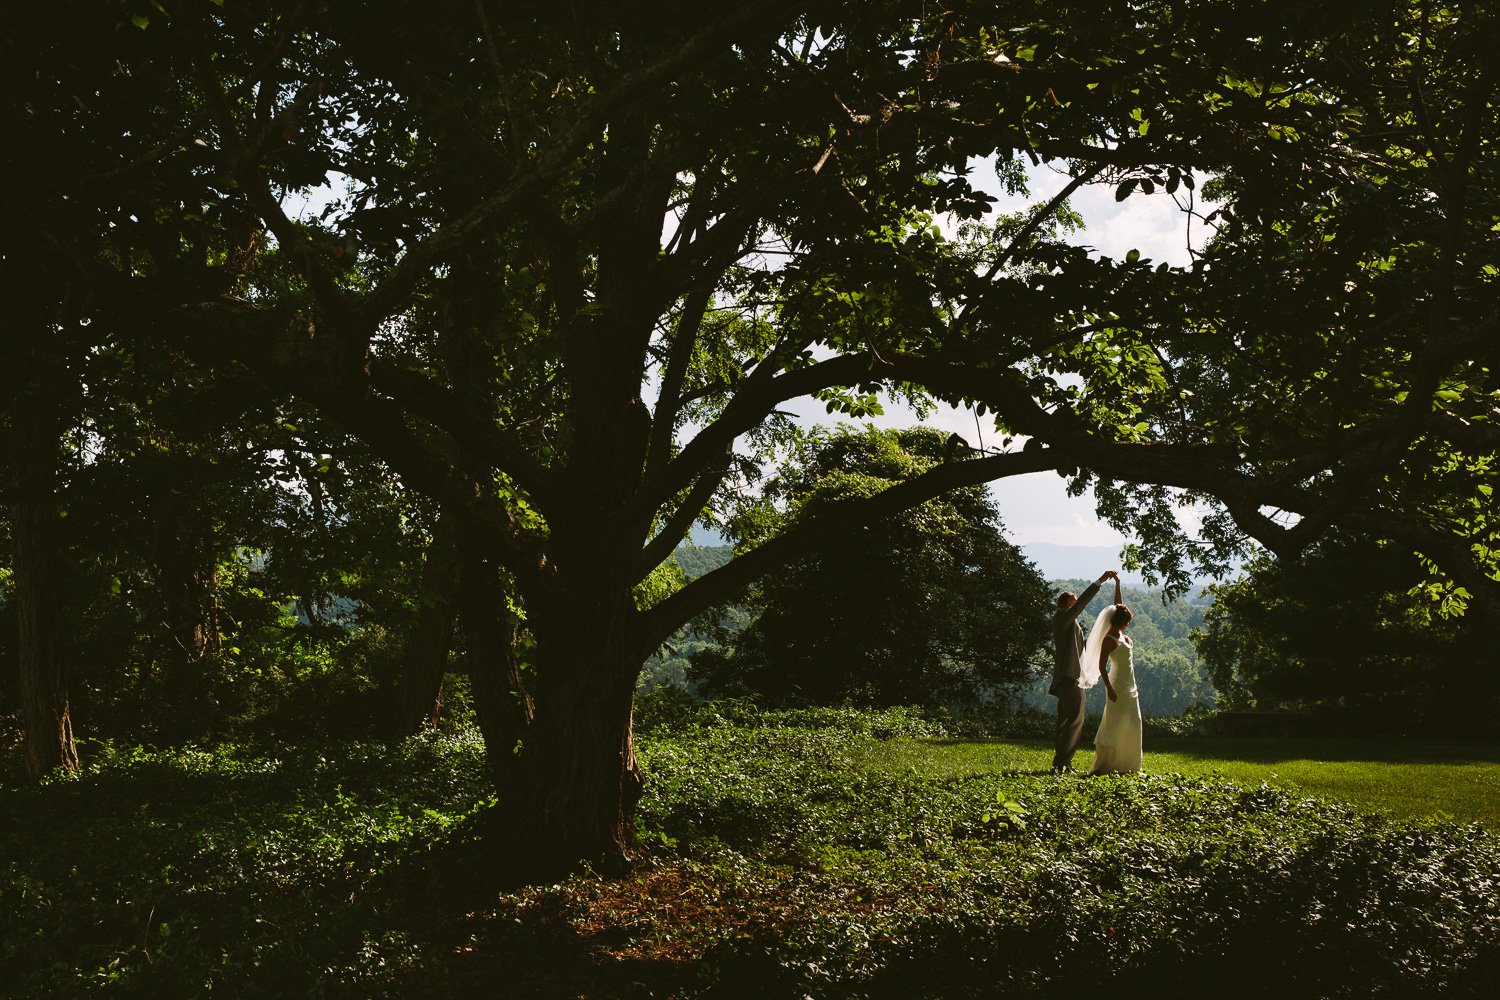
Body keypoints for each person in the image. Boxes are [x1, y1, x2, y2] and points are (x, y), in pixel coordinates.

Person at [1050, 569, 1116, 772]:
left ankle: (1060, 761)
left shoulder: (1063, 619)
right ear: (1066, 604)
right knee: (1076, 719)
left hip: (1065, 676)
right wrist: (1100, 582)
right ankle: (1064, 762)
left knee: (1065, 720)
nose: (1076, 602)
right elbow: (1082, 604)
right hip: (1069, 676)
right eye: (1073, 600)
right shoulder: (1063, 617)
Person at [1084, 574, 1143, 775]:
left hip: (1131, 685)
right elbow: (1101, 666)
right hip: (1117, 685)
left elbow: (1118, 605)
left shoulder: (1122, 634)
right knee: (1115, 724)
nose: (1128, 625)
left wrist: (1118, 584)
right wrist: (1109, 688)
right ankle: (1108, 765)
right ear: (1120, 622)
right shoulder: (1109, 638)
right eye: (1126, 622)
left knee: (1133, 724)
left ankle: (1129, 765)